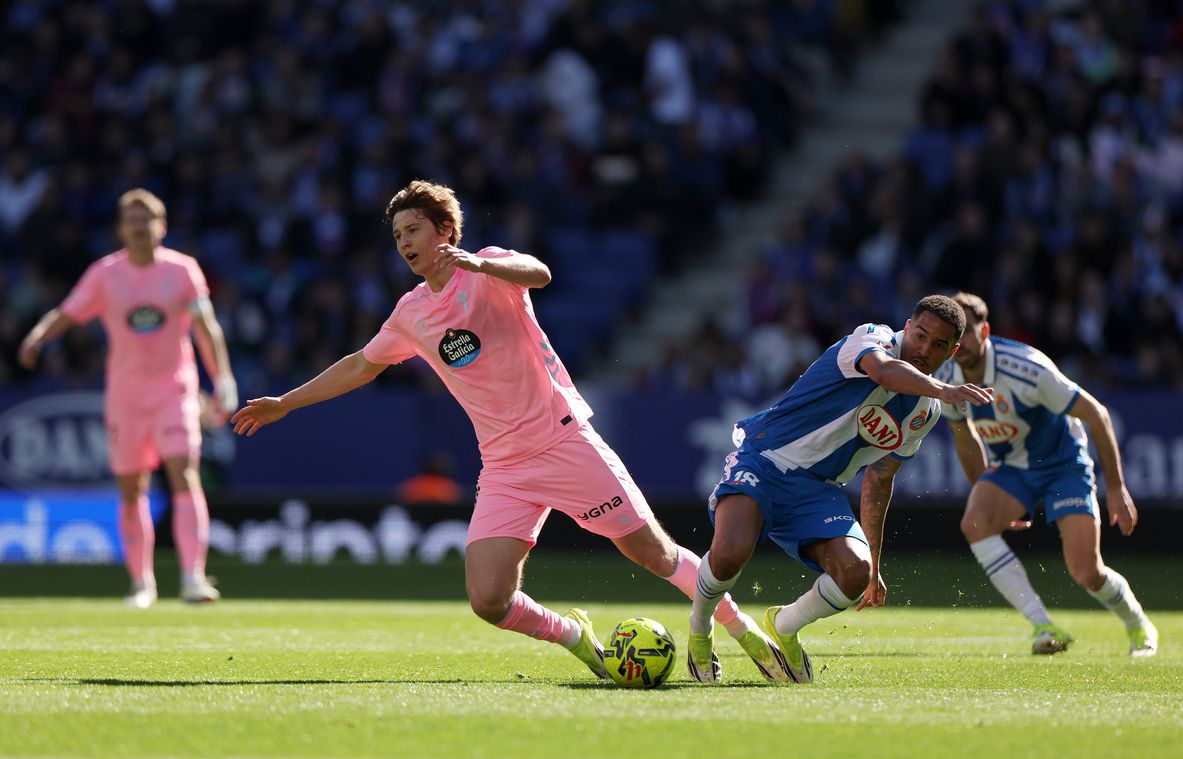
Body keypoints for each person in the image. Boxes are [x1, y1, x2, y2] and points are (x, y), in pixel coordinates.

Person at [231, 180, 788, 681]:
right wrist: (287, 401)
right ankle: (577, 639)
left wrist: (477, 265)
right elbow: (361, 364)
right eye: (398, 234)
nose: (404, 243)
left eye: (414, 229)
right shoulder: (412, 312)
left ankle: (744, 631)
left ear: (444, 230)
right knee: (489, 599)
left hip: (563, 440)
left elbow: (540, 274)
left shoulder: (490, 269)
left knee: (654, 554)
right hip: (505, 467)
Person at [688, 296, 995, 682]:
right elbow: (884, 373)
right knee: (731, 553)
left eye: (938, 345)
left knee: (855, 573)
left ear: (952, 351)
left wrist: (876, 565)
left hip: (816, 489)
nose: (924, 349)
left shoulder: (924, 411)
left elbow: (881, 478)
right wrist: (943, 390)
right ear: (907, 326)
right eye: (920, 336)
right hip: (765, 459)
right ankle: (700, 629)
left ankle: (783, 626)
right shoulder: (873, 338)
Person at [19, 188, 238, 608]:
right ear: (121, 229)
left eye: (148, 219)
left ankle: (193, 578)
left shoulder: (182, 270)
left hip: (175, 390)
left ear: (163, 226)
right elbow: (67, 312)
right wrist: (38, 335)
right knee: (131, 488)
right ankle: (142, 584)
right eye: (132, 221)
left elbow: (206, 326)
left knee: (185, 474)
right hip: (125, 396)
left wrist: (223, 377)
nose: (140, 227)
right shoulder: (105, 274)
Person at [939, 292, 1157, 656]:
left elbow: (1098, 415)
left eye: (967, 333)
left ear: (986, 331)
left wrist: (1117, 488)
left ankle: (1138, 625)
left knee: (1087, 572)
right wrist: (988, 495)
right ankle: (1043, 626)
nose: (958, 345)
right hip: (1013, 467)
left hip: (1062, 464)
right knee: (975, 522)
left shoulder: (1027, 367)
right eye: (953, 336)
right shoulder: (945, 373)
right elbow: (965, 438)